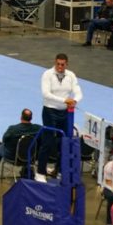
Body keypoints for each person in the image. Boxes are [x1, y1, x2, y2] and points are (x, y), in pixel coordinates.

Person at [37, 53, 83, 181]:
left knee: (65, 141)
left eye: (62, 65)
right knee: (48, 141)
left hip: (65, 112)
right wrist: (65, 100)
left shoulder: (71, 75)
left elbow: (78, 92)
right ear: (55, 63)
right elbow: (46, 94)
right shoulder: (47, 74)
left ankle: (60, 170)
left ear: (66, 64)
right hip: (50, 110)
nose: (60, 67)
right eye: (58, 64)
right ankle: (40, 172)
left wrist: (75, 101)